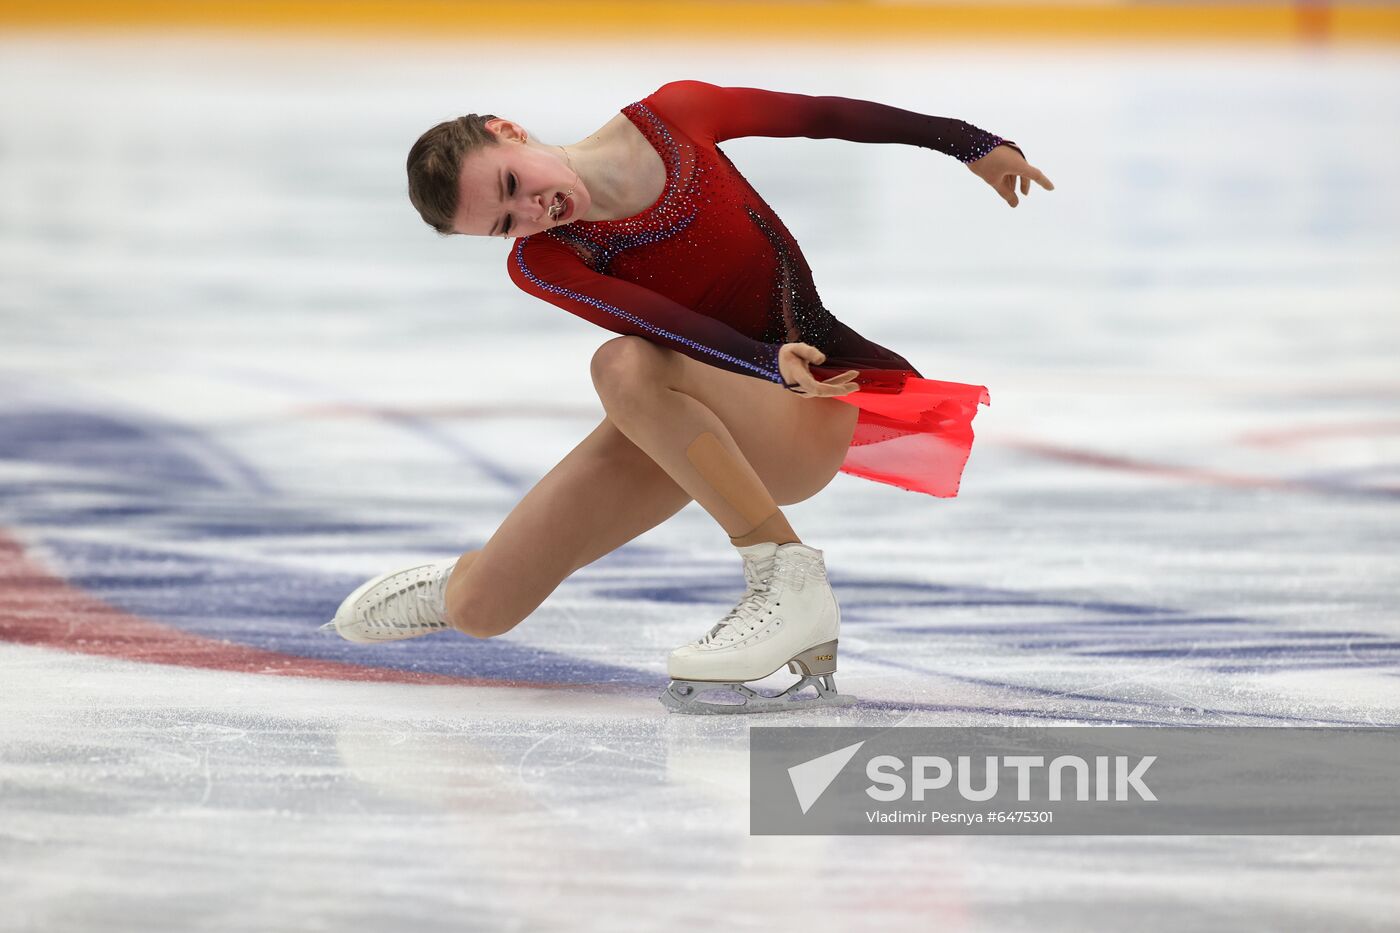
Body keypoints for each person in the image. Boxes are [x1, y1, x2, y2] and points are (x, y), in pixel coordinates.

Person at [321, 80, 1054, 713]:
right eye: (506, 222)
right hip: (712, 398)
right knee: (484, 611)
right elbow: (666, 323)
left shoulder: (673, 117)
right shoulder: (547, 260)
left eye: (512, 184)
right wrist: (764, 359)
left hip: (811, 401)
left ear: (509, 132)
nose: (533, 212)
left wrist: (967, 141)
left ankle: (783, 575)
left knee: (622, 368)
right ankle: (462, 583)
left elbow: (822, 113)